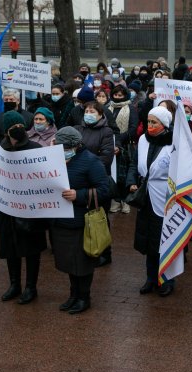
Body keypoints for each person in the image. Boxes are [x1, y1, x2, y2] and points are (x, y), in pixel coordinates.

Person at [0, 117, 47, 304]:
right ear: (7, 130)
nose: (19, 129)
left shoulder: (35, 149)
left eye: (21, 125)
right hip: (5, 208)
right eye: (14, 126)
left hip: (29, 210)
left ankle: (31, 287)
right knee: (10, 247)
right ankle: (14, 284)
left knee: (30, 249)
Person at [51, 127, 110, 313]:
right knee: (69, 261)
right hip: (61, 220)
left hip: (81, 221)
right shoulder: (55, 159)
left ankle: (84, 297)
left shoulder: (91, 162)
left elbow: (105, 189)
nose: (61, 150)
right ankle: (73, 295)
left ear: (76, 145)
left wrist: (79, 195)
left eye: (65, 147)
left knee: (82, 263)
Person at [126, 106, 178, 297]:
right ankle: (150, 277)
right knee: (148, 238)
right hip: (146, 194)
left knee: (164, 238)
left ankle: (167, 278)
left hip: (166, 196)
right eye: (148, 121)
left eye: (154, 122)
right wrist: (131, 181)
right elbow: (134, 162)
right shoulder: (142, 140)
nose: (150, 125)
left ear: (164, 124)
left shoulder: (174, 143)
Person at [73, 101, 115, 267]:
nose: (88, 114)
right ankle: (88, 246)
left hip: (98, 181)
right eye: (86, 111)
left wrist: (82, 165)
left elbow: (106, 157)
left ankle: (105, 252)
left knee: (100, 217)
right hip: (79, 181)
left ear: (100, 115)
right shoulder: (77, 129)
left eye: (92, 111)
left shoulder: (106, 131)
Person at [107, 85, 138, 214]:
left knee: (123, 173)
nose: (118, 97)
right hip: (109, 144)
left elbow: (133, 127)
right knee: (112, 173)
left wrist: (119, 139)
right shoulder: (108, 108)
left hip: (125, 145)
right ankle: (115, 200)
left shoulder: (131, 108)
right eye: (116, 95)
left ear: (125, 95)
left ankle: (125, 201)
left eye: (120, 95)